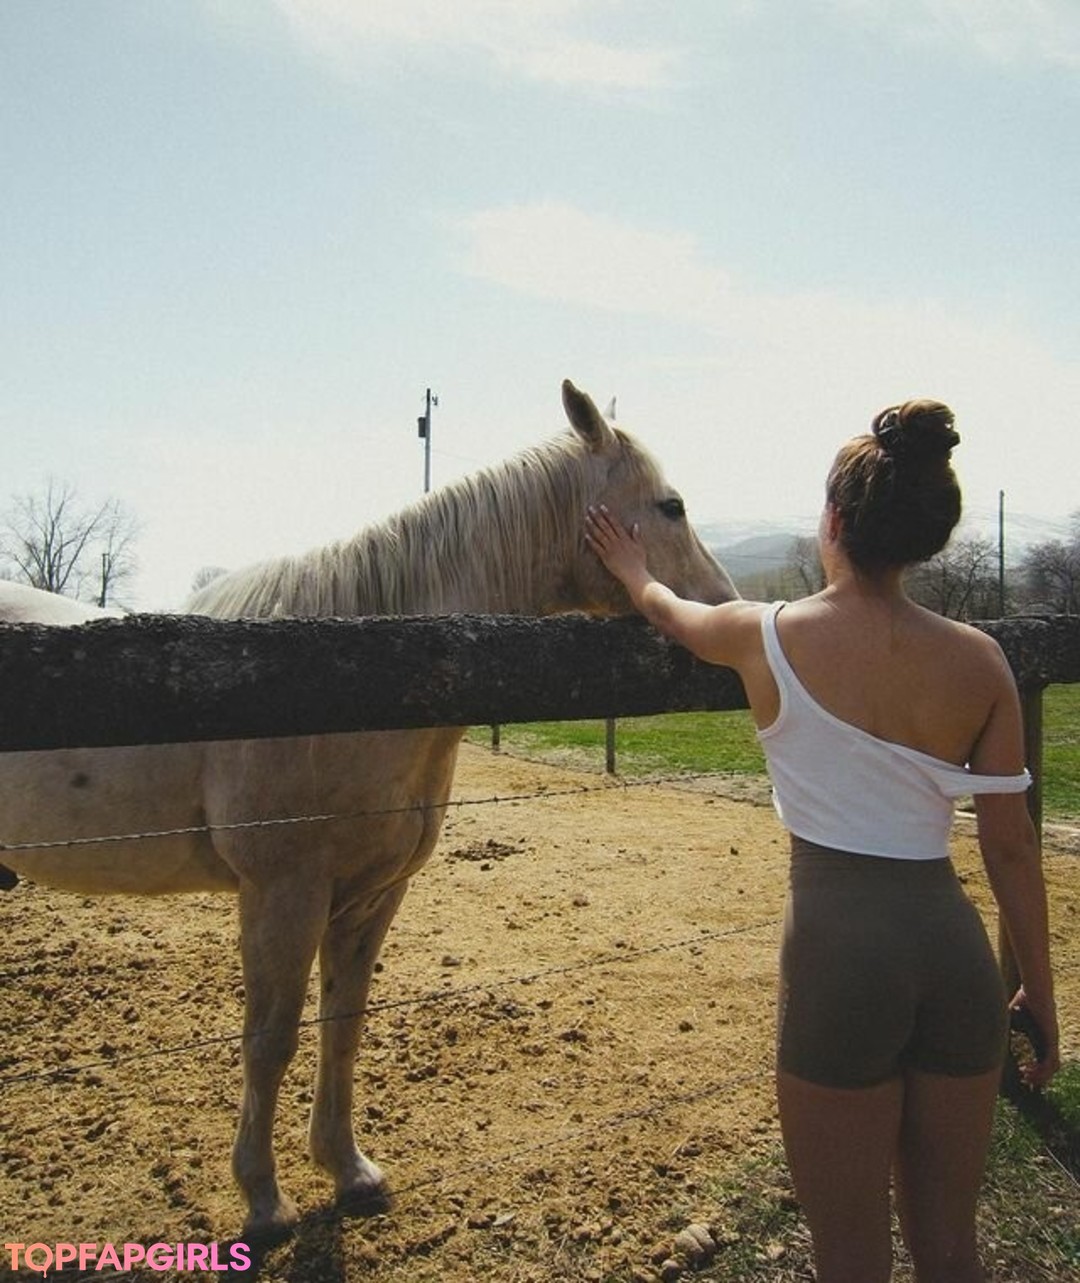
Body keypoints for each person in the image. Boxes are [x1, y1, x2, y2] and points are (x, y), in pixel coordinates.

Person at [584, 399, 1058, 1283]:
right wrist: (1041, 990)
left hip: (839, 965)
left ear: (834, 521)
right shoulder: (982, 659)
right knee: (953, 1253)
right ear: (924, 534)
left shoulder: (765, 634)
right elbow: (1011, 849)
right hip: (956, 958)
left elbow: (666, 607)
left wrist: (633, 567)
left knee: (849, 1260)